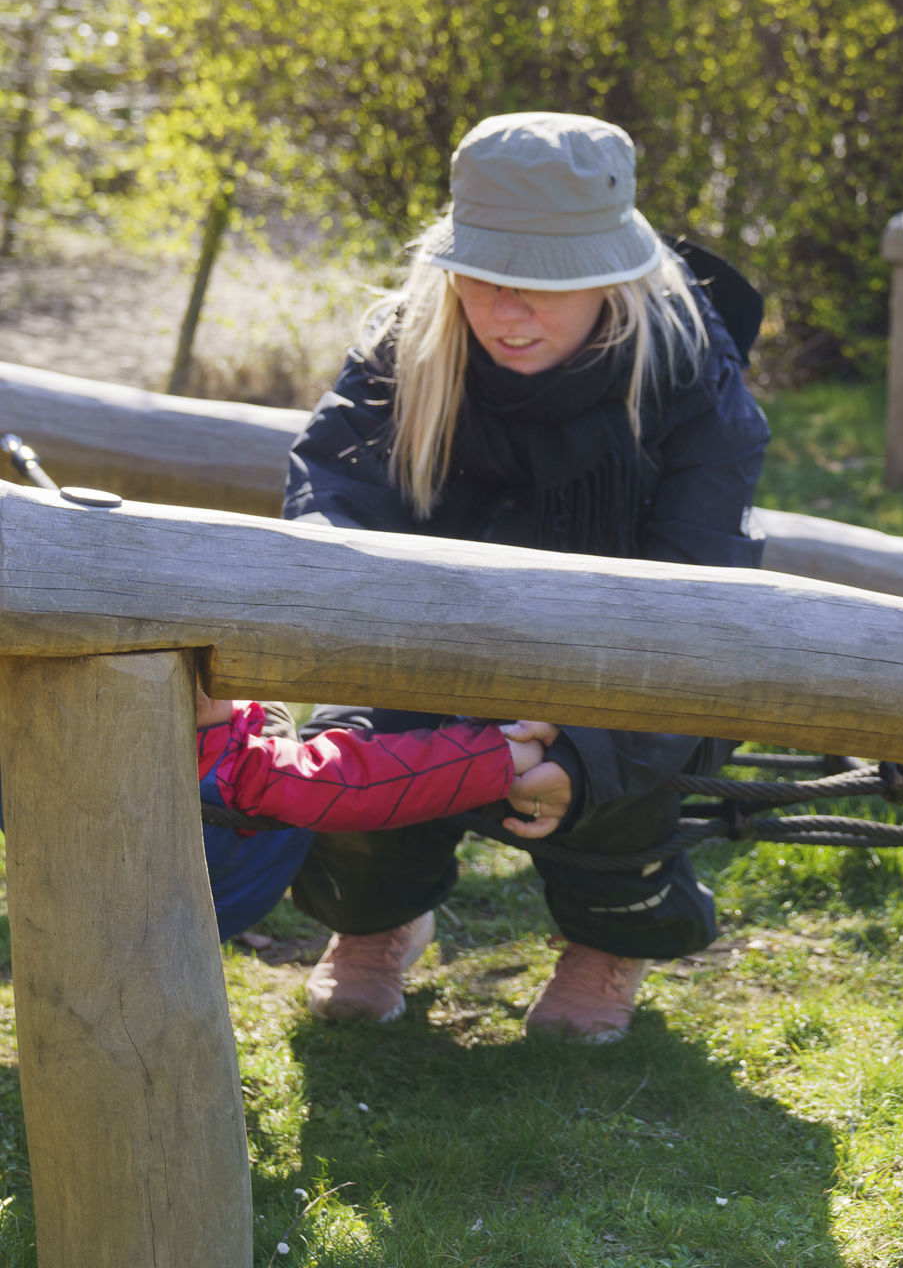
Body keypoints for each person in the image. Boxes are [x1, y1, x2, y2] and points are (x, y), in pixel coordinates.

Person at [282, 112, 771, 1041]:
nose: (508, 313)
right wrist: (377, 642)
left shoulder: (691, 377)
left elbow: (703, 604)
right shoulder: (406, 344)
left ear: (610, 275)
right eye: (485, 276)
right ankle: (378, 918)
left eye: (543, 285)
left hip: (623, 660)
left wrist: (584, 757)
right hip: (424, 645)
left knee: (627, 781)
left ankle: (604, 943)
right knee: (351, 760)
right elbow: (330, 498)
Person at [195, 690, 549, 943]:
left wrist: (496, 754)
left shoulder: (229, 762)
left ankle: (379, 925)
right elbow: (356, 781)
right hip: (198, 904)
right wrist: (502, 753)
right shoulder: (235, 766)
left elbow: (351, 779)